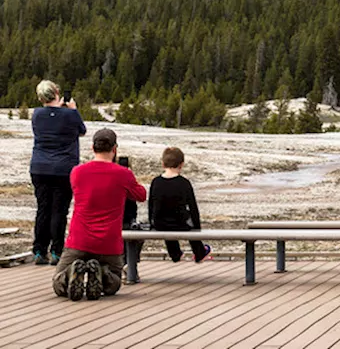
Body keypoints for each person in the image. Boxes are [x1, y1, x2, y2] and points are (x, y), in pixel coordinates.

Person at [53, 128, 147, 301]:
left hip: (79, 240)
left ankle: (71, 272)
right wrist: (129, 177)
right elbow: (141, 196)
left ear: (92, 147)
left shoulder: (77, 172)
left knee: (58, 283)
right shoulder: (122, 174)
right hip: (109, 244)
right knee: (114, 284)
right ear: (115, 149)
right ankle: (103, 273)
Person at [29, 80, 86, 266]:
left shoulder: (36, 115)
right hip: (63, 167)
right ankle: (56, 250)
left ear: (40, 97)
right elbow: (82, 131)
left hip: (39, 167)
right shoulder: (70, 115)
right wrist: (72, 110)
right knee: (59, 210)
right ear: (56, 93)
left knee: (43, 208)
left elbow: (51, 120)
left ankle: (39, 250)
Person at [148, 147, 212, 263]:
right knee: (188, 220)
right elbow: (193, 207)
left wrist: (151, 221)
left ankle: (175, 253)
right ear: (181, 164)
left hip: (160, 223)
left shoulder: (156, 182)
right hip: (180, 223)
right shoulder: (184, 183)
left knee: (165, 215)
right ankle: (199, 252)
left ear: (163, 164)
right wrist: (197, 227)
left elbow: (151, 205)